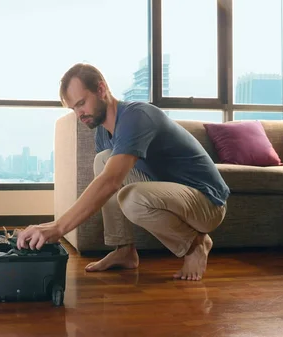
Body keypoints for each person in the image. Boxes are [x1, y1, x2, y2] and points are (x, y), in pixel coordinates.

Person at [16, 63, 230, 281]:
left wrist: (58, 227)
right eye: (74, 109)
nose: (79, 114)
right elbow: (106, 180)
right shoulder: (102, 131)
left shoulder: (136, 116)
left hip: (207, 202)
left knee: (132, 197)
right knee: (103, 159)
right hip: (172, 194)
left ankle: (195, 245)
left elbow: (110, 181)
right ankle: (124, 250)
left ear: (101, 89)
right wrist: (51, 225)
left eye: (81, 103)